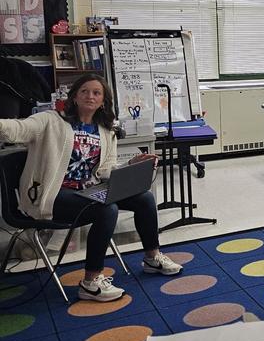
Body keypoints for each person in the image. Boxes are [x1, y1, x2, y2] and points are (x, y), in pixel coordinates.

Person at [0, 73, 182, 302]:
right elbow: (17, 129)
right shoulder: (50, 120)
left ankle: (152, 258)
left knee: (144, 198)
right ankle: (91, 282)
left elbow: (105, 170)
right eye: (84, 91)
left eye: (96, 93)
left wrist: (130, 164)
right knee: (106, 210)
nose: (90, 96)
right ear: (74, 97)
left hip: (87, 191)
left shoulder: (105, 131)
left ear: (103, 101)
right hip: (52, 195)